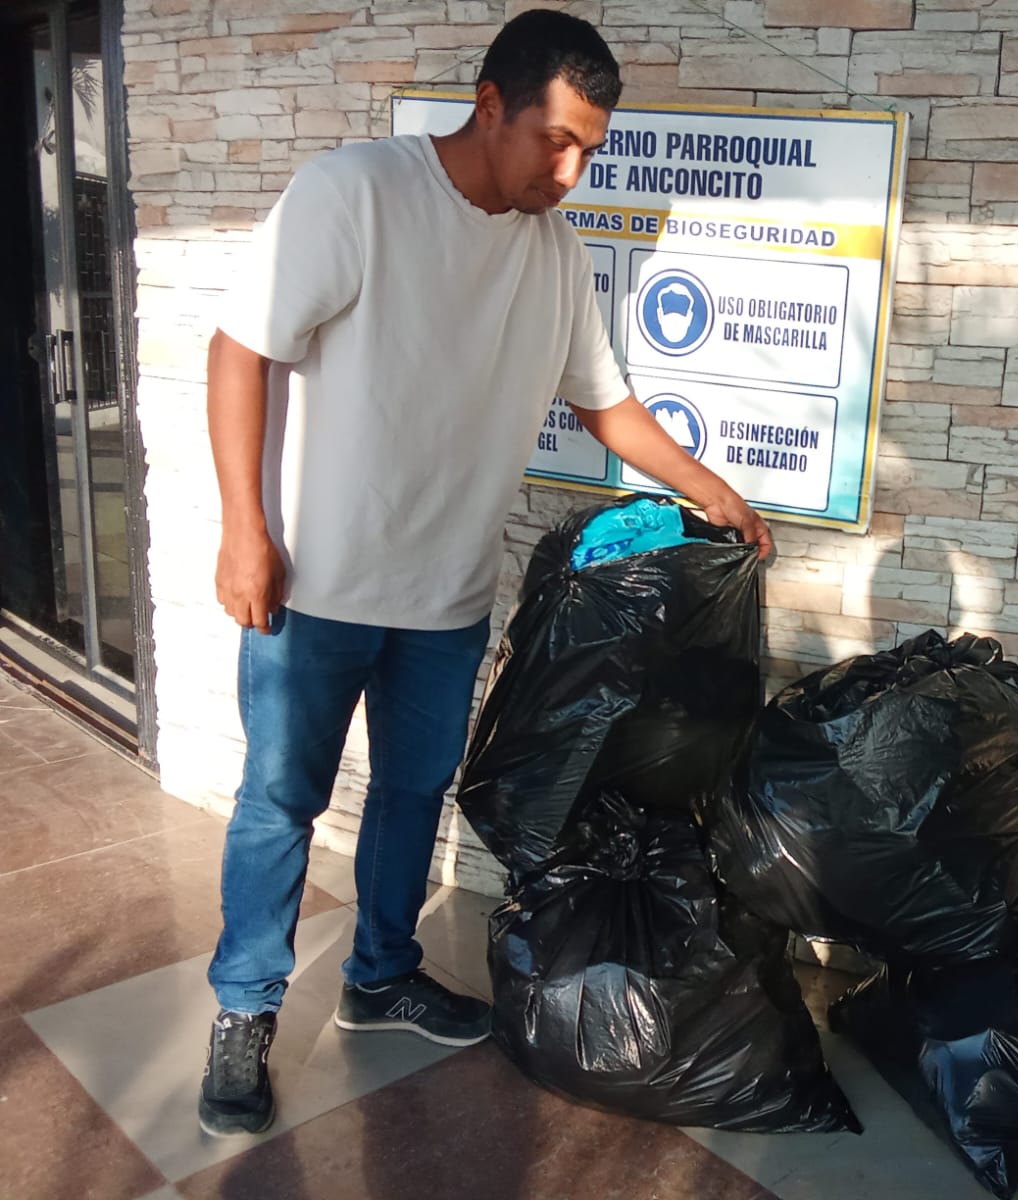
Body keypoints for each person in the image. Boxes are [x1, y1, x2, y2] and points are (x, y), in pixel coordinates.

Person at [199, 9, 771, 1137]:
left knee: (413, 795)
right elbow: (240, 348)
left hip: (447, 594)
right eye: (555, 141)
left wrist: (714, 489)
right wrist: (243, 530)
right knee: (280, 801)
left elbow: (605, 403)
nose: (571, 172)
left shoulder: (555, 255)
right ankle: (245, 1006)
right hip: (314, 587)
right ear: (490, 103)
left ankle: (380, 973)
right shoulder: (355, 193)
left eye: (589, 150)